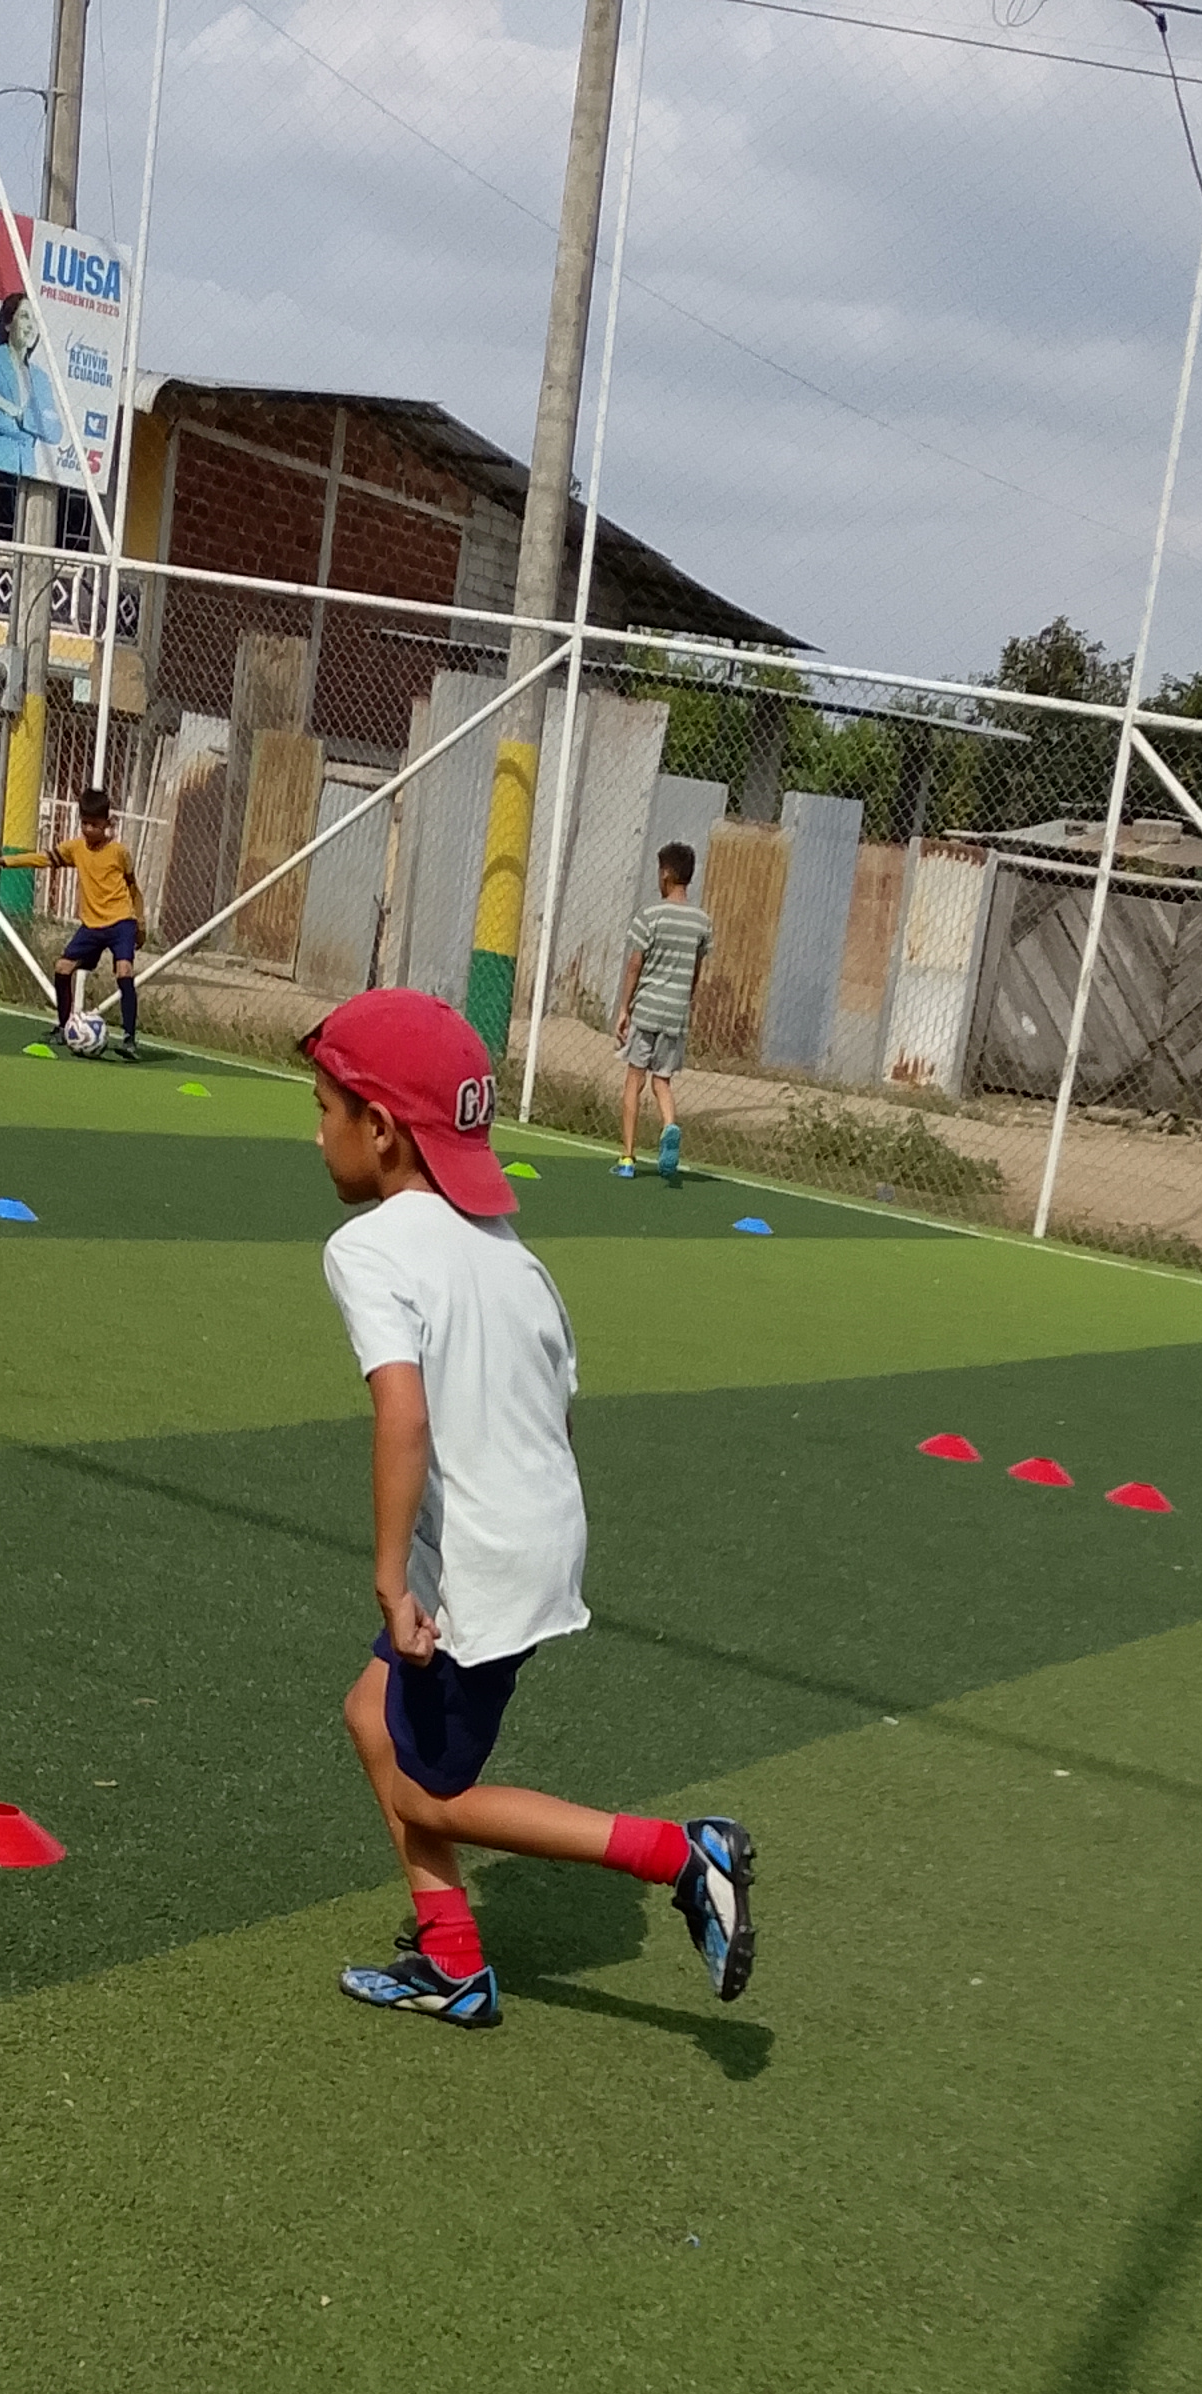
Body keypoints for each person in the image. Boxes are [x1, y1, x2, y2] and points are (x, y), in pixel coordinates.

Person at [306, 986, 755, 2031]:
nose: (316, 1133)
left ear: (381, 1128)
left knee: (429, 1793)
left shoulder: (367, 1248)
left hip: (481, 1558)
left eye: (323, 1109)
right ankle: (451, 1960)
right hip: (529, 1532)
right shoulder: (513, 1252)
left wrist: (391, 1578)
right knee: (373, 1714)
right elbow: (557, 1409)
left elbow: (403, 1416)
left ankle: (681, 1854)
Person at [613, 840, 711, 1179]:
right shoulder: (701, 922)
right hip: (676, 1012)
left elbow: (634, 964)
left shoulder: (650, 916)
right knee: (663, 1080)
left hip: (648, 1009)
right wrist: (686, 1000)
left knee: (634, 1079)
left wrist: (624, 1007)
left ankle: (627, 1158)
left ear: (666, 873)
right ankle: (669, 1125)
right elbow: (696, 970)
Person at [51, 788, 141, 1056]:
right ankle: (63, 1027)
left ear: (107, 823)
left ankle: (129, 1039)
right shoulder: (76, 848)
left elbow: (134, 889)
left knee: (124, 970)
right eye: (84, 823)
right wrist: (6, 862)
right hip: (92, 926)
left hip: (122, 921)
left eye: (94, 824)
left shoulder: (119, 852)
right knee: (62, 967)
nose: (88, 829)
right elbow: (43, 858)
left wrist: (141, 923)